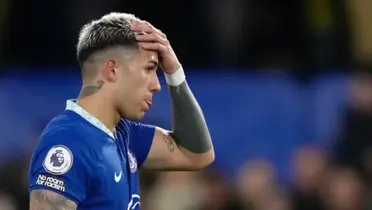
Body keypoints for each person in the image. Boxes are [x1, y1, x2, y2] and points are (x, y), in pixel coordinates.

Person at [28, 12, 214, 210]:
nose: (156, 85)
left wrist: (175, 73)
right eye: (149, 69)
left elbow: (197, 155)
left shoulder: (125, 135)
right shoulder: (68, 141)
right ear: (113, 70)